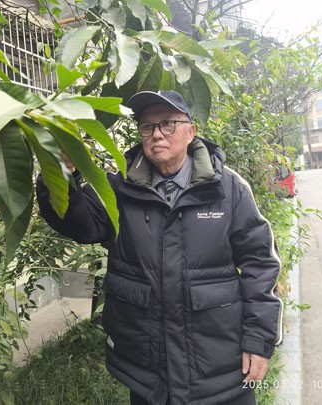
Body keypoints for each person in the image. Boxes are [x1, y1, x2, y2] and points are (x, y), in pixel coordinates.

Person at [37, 90, 283, 405]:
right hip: (146, 370)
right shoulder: (119, 186)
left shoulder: (227, 187)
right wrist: (60, 172)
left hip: (219, 366)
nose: (156, 134)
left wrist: (259, 340)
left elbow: (260, 263)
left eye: (168, 124)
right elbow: (78, 223)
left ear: (191, 131)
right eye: (147, 126)